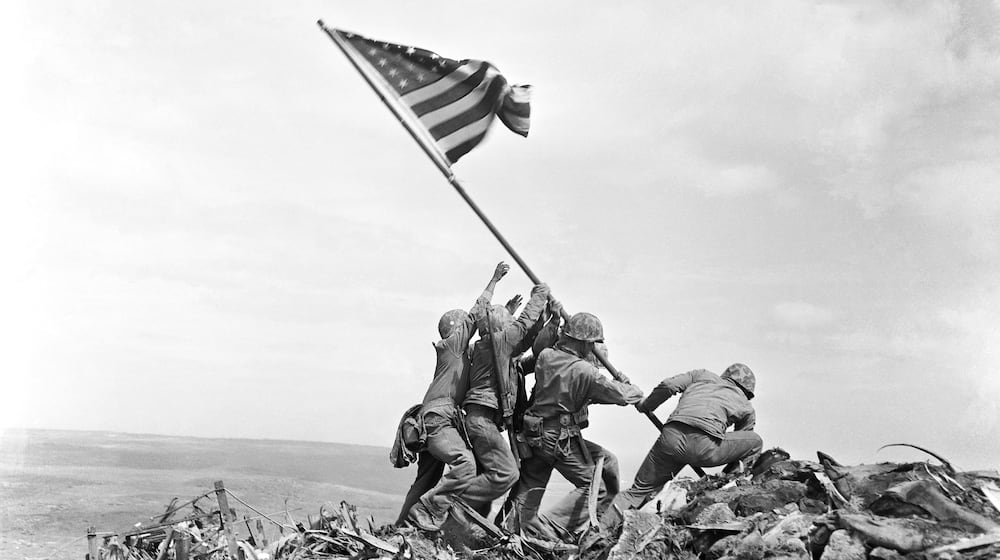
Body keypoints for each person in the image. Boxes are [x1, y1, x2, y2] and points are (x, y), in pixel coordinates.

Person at [506, 312, 644, 538]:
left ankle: (512, 529)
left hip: (535, 433)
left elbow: (578, 390)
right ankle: (549, 529)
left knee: (605, 462)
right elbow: (620, 396)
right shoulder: (585, 372)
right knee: (595, 488)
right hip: (558, 438)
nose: (592, 349)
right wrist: (631, 387)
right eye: (591, 344)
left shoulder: (547, 357)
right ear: (583, 342)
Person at [402, 262, 510, 530]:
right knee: (465, 464)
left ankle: (401, 527)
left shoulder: (458, 354)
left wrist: (506, 314)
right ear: (457, 329)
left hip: (433, 419)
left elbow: (489, 339)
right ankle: (429, 511)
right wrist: (494, 280)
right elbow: (476, 314)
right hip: (439, 419)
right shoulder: (452, 346)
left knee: (426, 479)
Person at [458, 282, 551, 516]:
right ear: (502, 327)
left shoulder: (490, 346)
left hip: (482, 420)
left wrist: (545, 320)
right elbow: (523, 325)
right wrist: (539, 295)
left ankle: (463, 520)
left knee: (486, 480)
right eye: (509, 323)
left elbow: (525, 339)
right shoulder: (498, 342)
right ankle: (451, 502)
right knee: (507, 473)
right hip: (482, 420)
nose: (513, 327)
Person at [615, 363, 762, 511]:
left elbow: (669, 385)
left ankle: (600, 529)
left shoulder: (702, 375)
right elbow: (742, 444)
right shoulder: (746, 406)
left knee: (637, 492)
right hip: (705, 448)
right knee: (755, 441)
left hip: (671, 439)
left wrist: (647, 405)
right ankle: (726, 487)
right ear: (747, 391)